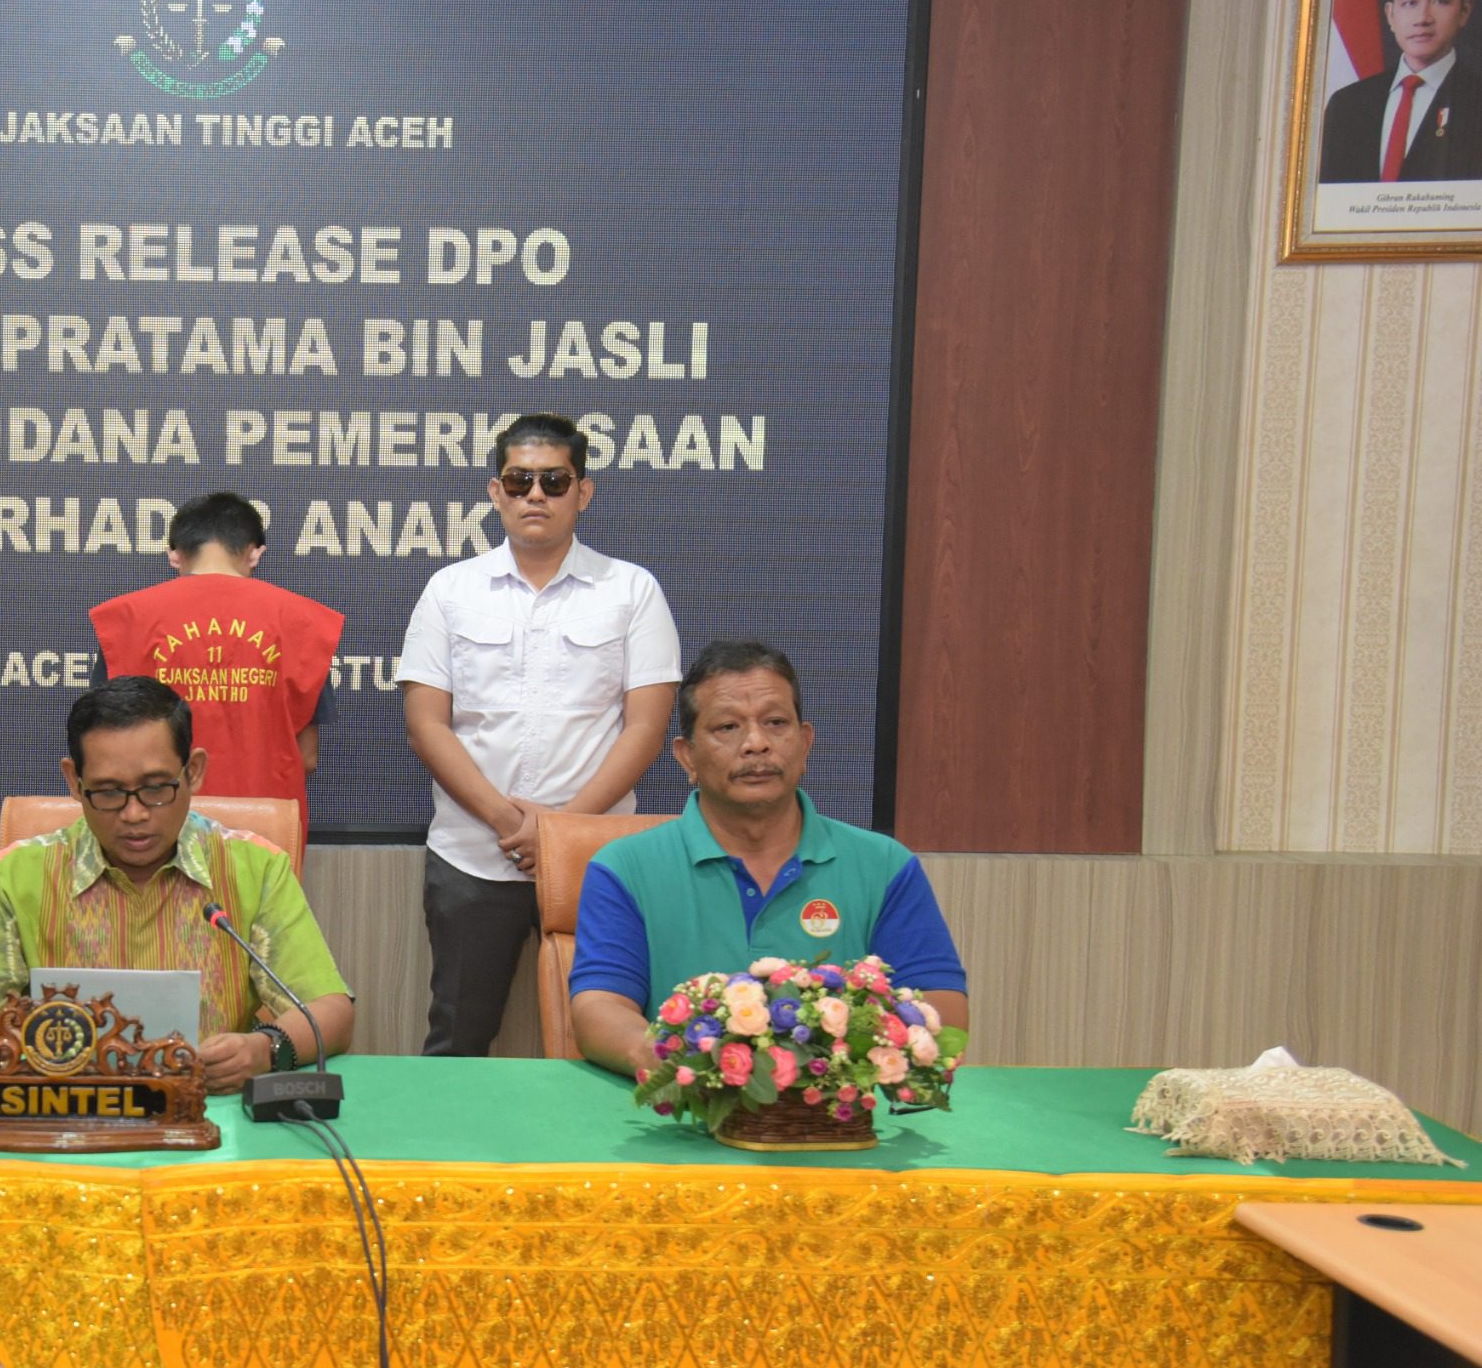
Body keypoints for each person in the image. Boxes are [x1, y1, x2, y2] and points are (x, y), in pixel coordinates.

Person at [395, 412, 681, 1056]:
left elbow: (646, 727)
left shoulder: (631, 590)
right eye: (518, 480)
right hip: (474, 855)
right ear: (495, 492)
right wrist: (510, 822)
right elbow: (426, 725)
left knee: (610, 1040)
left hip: (598, 858)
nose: (535, 495)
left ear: (584, 492)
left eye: (554, 481)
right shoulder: (450, 590)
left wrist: (562, 832)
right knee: (457, 1041)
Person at [0, 675, 353, 1094]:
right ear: (75, 782)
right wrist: (17, 1057)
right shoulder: (20, 873)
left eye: (155, 788)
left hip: (209, 1114)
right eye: (109, 792)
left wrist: (265, 1050)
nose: (134, 814)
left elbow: (330, 1010)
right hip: (63, 1113)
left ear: (193, 772)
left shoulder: (255, 868)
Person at [567, 639, 970, 1080]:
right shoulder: (624, 868)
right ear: (687, 756)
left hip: (836, 1110)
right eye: (727, 727)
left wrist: (832, 1070)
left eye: (776, 723)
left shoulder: (884, 865)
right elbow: (600, 1008)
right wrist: (692, 1068)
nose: (756, 744)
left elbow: (941, 1007)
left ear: (805, 743)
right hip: (686, 1108)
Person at [87, 491, 343, 827]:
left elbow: (103, 745)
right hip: (265, 826)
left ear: (174, 555)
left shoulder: (128, 620)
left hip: (153, 822)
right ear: (255, 553)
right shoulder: (303, 623)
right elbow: (306, 757)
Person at [1321, 0, 1482, 184]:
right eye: (1409, 2)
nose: (1422, 18)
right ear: (1390, 14)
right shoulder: (1346, 106)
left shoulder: (1475, 97)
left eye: (1440, 1)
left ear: (1464, 11)